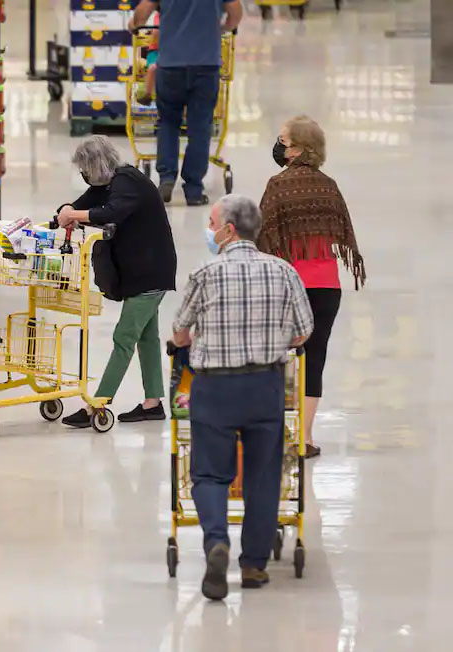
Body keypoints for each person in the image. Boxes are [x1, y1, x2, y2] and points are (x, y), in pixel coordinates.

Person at [172, 195, 313, 600]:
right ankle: (253, 565)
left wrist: (190, 339)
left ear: (228, 229)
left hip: (215, 388)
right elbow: (304, 331)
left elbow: (181, 332)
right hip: (265, 386)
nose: (209, 228)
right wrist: (272, 339)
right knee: (263, 476)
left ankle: (217, 540)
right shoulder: (284, 272)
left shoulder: (206, 273)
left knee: (210, 474)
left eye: (212, 221)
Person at [258, 116, 366, 459]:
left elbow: (264, 236)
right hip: (326, 287)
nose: (279, 145)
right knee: (313, 358)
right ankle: (304, 438)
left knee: (278, 358)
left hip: (288, 286)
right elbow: (343, 233)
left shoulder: (277, 185)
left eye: (283, 141)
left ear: (299, 149)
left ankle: (275, 433)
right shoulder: (329, 186)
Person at [55, 136, 177, 428]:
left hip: (150, 274)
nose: (83, 175)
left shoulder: (128, 183)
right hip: (142, 273)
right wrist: (66, 210)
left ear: (96, 166)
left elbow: (110, 213)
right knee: (147, 338)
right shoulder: (109, 183)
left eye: (85, 169)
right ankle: (153, 403)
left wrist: (75, 215)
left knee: (124, 338)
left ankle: (96, 404)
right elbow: (86, 203)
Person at [132, 0, 243, 206]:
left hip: (170, 66)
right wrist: (224, 27)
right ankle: (193, 189)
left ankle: (166, 178)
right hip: (206, 65)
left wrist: (134, 24)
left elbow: (142, 13)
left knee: (167, 122)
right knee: (200, 127)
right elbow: (235, 12)